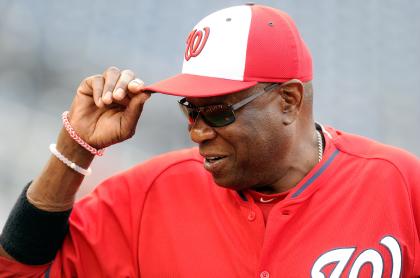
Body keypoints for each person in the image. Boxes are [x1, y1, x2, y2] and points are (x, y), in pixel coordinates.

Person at [0, 4, 419, 277]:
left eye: (218, 110)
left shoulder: (397, 183)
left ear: (288, 100)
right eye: (190, 109)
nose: (198, 131)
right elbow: (17, 272)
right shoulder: (149, 195)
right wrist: (75, 149)